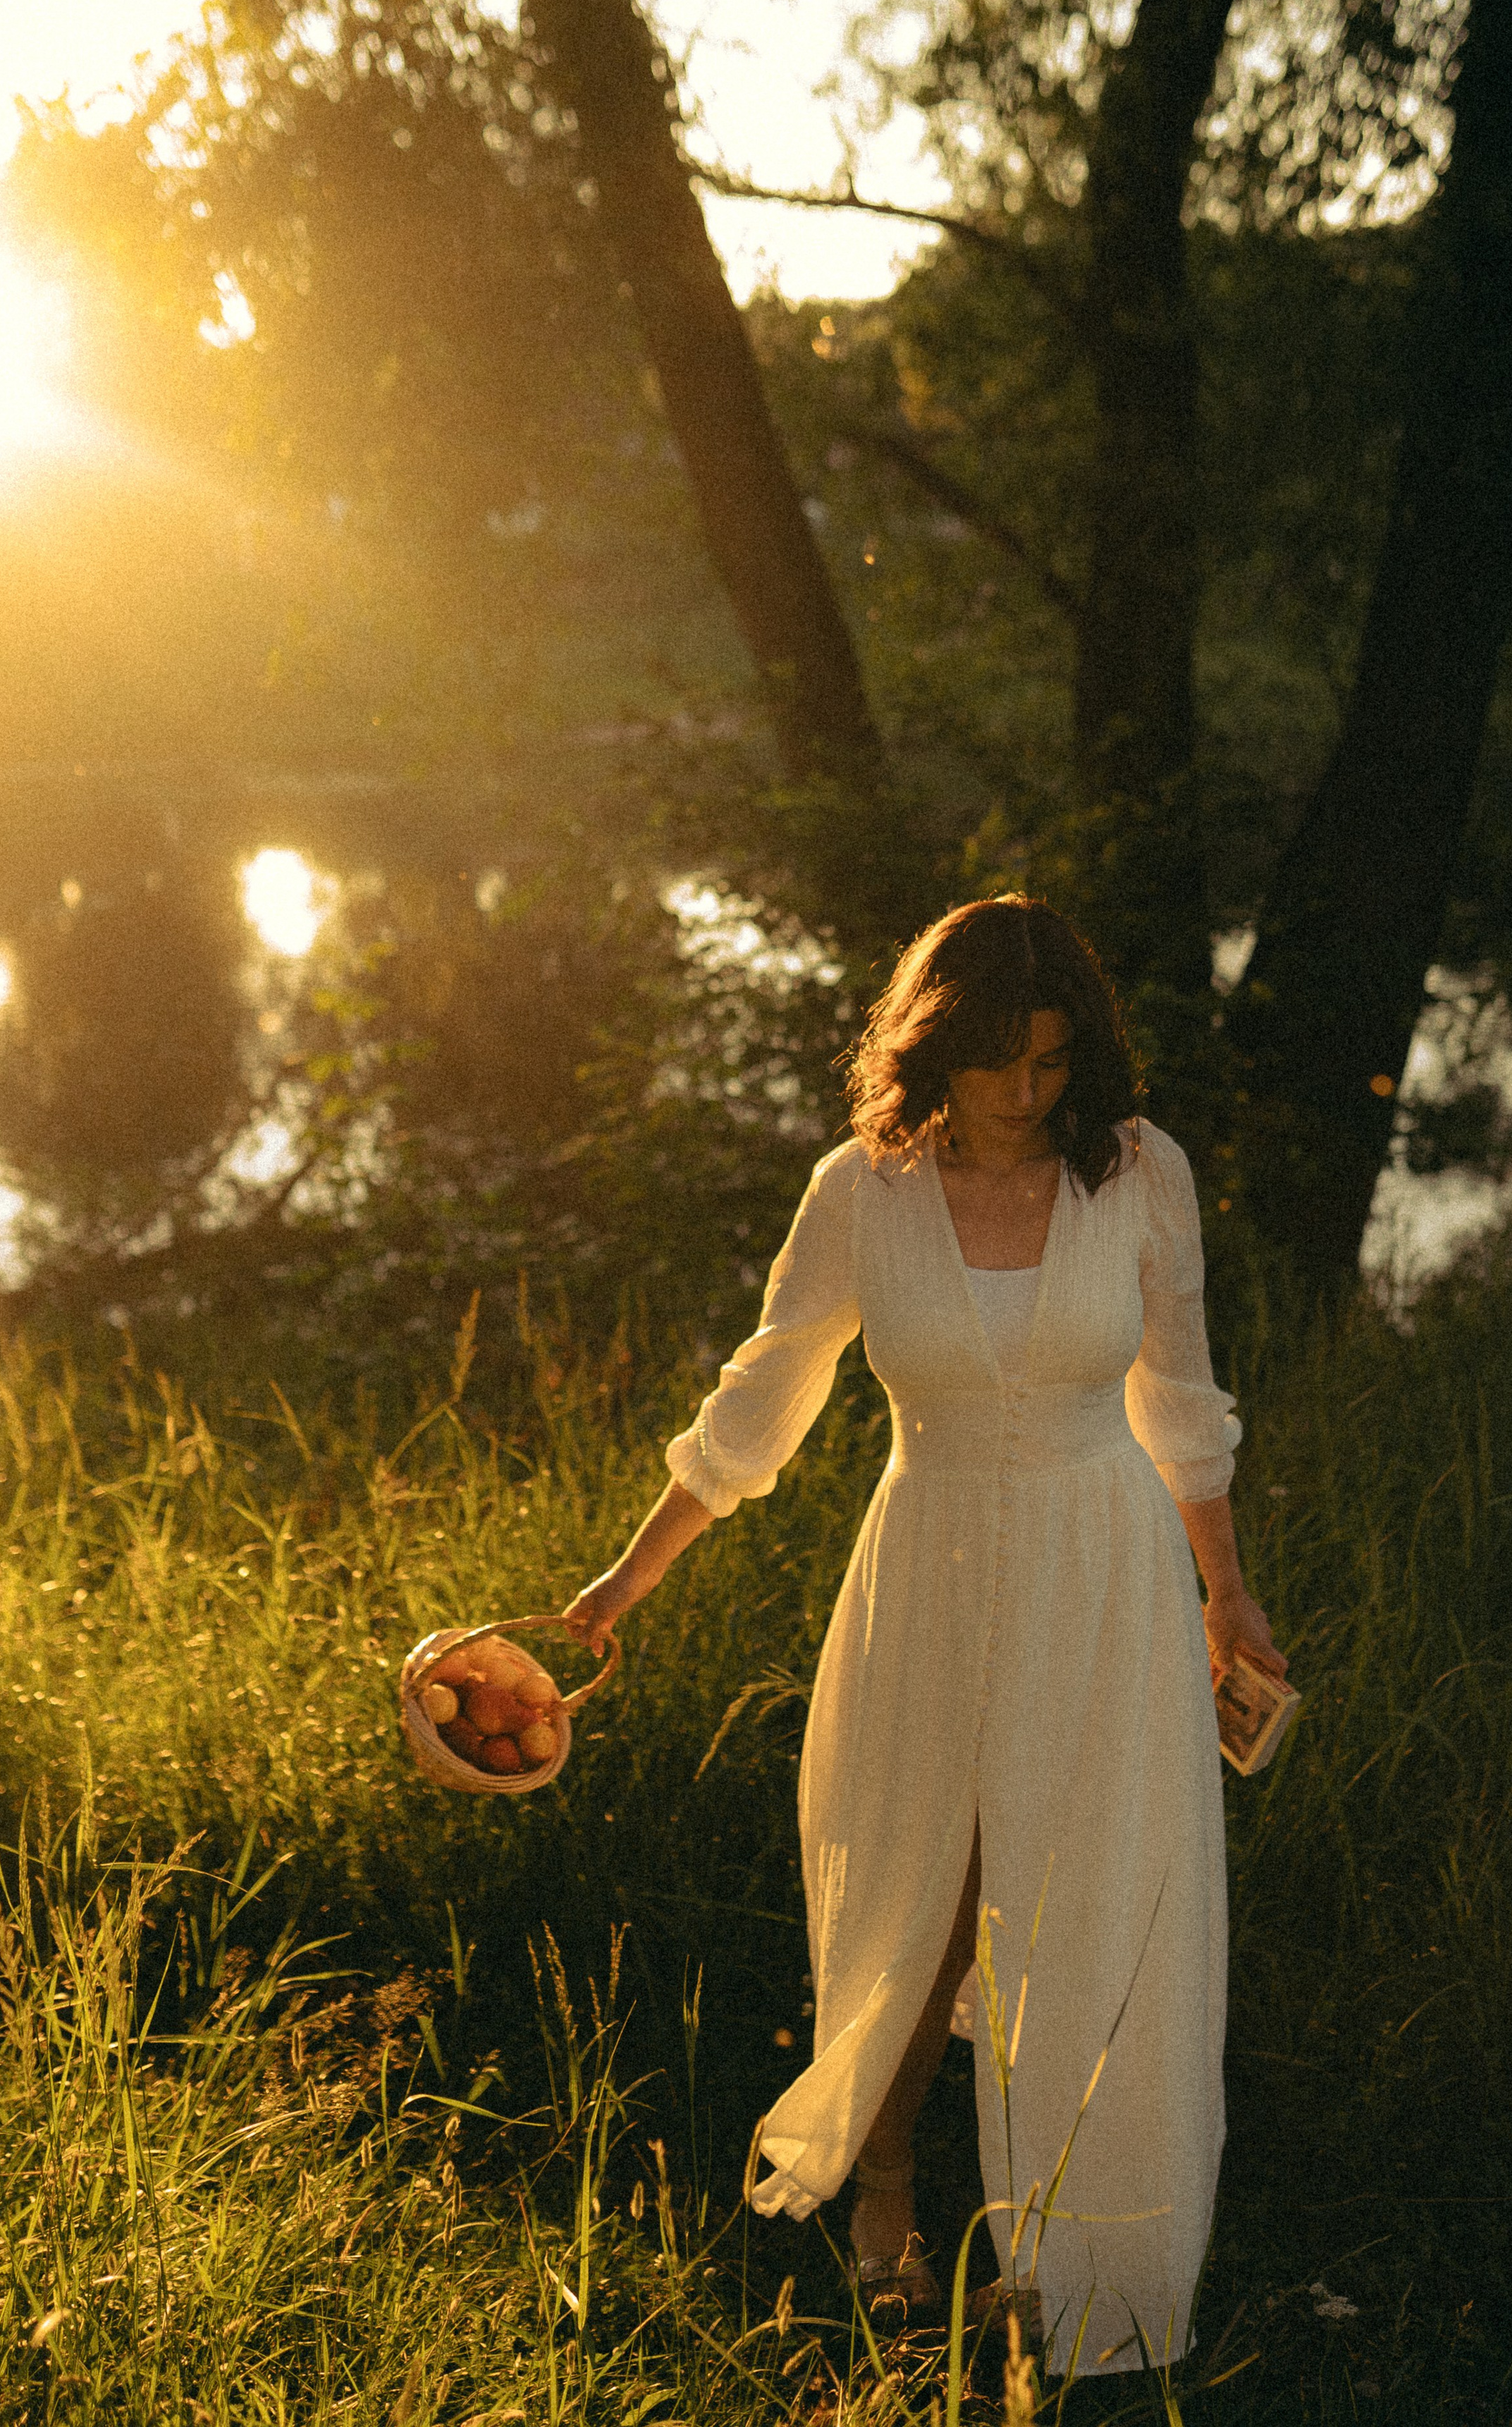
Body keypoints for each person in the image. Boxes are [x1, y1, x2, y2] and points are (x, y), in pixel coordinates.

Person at [564, 896, 1286, 2380]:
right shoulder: (861, 1189)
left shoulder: (1139, 1175)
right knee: (927, 1896)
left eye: (1047, 1059)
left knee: (1094, 1900)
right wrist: (624, 1584)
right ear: (928, 1049)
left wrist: (1227, 1593)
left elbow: (1178, 1402)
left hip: (1104, 1573)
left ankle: (1075, 2261)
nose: (1023, 1092)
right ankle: (884, 2193)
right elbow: (762, 1400)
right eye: (991, 1062)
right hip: (930, 1573)